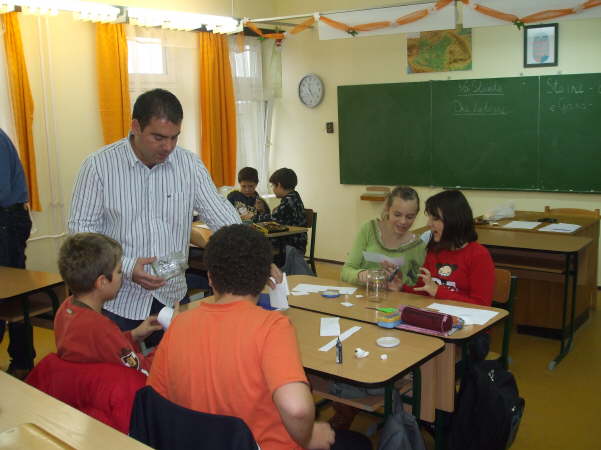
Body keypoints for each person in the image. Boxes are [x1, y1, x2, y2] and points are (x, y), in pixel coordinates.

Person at [148, 225, 371, 450]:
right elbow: (297, 409)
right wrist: (309, 437)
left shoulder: (178, 325)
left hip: (196, 443)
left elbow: (155, 398)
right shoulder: (272, 327)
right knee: (358, 443)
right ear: (265, 278)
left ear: (210, 278)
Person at [68, 89, 242, 346]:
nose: (168, 147)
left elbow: (224, 218)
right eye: (158, 137)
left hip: (172, 295)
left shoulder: (189, 165)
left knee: (174, 367)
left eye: (174, 137)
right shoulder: (98, 167)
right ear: (135, 127)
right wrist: (127, 266)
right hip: (118, 299)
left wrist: (255, 256)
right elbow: (81, 235)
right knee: (122, 367)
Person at [54, 233, 162, 374]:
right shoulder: (101, 327)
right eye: (119, 272)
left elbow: (104, 347)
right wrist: (170, 341)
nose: (121, 276)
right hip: (112, 385)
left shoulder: (66, 308)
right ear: (102, 282)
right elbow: (139, 370)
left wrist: (134, 335)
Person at [400, 189, 495, 306]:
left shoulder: (478, 255)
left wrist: (438, 291)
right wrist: (400, 284)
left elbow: (482, 305)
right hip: (434, 313)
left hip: (463, 316)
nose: (428, 224)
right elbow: (423, 289)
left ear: (454, 220)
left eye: (435, 218)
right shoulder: (434, 249)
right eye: (429, 217)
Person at [341, 186, 426, 288]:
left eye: (409, 217)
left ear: (416, 215)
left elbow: (419, 287)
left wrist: (401, 280)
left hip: (396, 298)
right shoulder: (369, 229)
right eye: (397, 215)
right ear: (387, 209)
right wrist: (361, 275)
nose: (403, 221)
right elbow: (346, 272)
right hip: (363, 295)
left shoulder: (418, 246)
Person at [0, 128, 34, 379]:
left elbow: (1, 191)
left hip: (7, 220)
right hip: (6, 219)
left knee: (11, 294)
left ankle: (22, 362)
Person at [269, 168, 307, 266]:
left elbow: (271, 220)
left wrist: (256, 215)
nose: (273, 189)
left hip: (290, 246)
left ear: (279, 185)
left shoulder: (288, 201)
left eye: (273, 186)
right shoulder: (294, 196)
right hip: (298, 243)